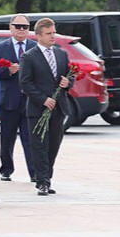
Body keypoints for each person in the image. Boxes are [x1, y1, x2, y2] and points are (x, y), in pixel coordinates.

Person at [20, 18, 76, 196]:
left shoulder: (61, 54)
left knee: (54, 145)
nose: (53, 36)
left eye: (54, 33)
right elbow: (25, 83)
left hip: (59, 107)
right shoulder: (29, 56)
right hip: (38, 109)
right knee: (39, 146)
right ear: (38, 36)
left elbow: (68, 75)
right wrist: (43, 99)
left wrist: (68, 83)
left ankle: (47, 177)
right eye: (49, 34)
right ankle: (42, 181)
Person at [0, 14, 36, 182]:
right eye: (17, 26)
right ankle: (6, 169)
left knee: (30, 138)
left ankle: (34, 172)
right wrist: (7, 71)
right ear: (10, 27)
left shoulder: (35, 47)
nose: (21, 29)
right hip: (9, 99)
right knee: (7, 137)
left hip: (30, 100)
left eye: (25, 27)